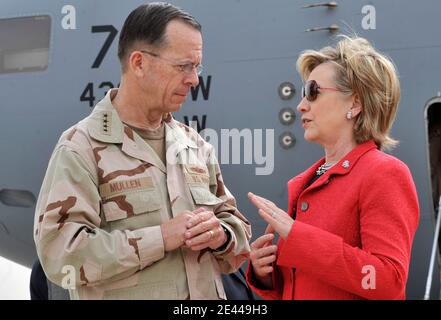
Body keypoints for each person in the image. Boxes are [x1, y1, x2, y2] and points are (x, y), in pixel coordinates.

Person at [34, 2, 251, 300]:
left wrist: (221, 235)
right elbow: (60, 255)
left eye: (196, 67)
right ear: (139, 63)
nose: (194, 79)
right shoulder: (81, 147)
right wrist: (160, 238)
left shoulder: (194, 146)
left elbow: (237, 231)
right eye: (183, 66)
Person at [246, 36, 420, 300]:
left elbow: (386, 280)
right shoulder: (303, 183)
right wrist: (266, 274)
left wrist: (298, 237)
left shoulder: (384, 173)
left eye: (312, 92)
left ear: (355, 103)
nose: (301, 104)